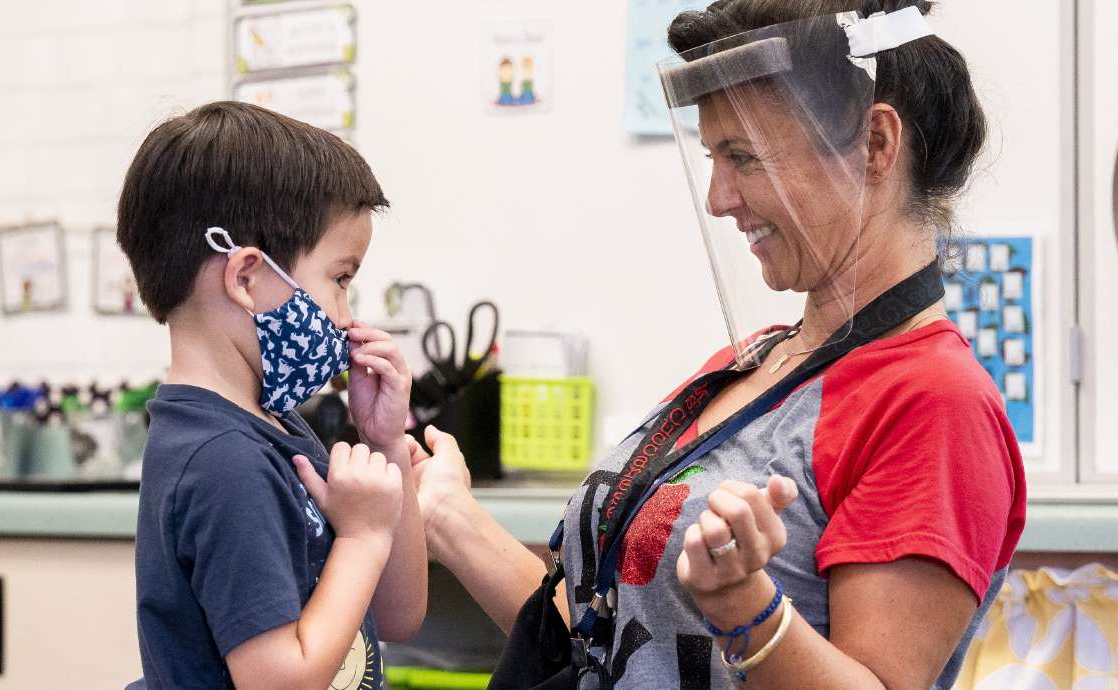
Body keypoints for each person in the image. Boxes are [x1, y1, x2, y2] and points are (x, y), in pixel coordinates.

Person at [408, 2, 1025, 688]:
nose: (717, 197)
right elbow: (605, 632)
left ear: (877, 145)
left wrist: (745, 609)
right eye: (712, 157)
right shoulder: (755, 363)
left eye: (743, 157)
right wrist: (450, 517)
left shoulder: (935, 403)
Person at [119, 101, 426, 690]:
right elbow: (278, 682)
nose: (345, 315)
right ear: (246, 278)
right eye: (340, 279)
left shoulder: (276, 423)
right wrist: (361, 535)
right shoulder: (224, 460)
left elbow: (397, 614)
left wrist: (384, 443)